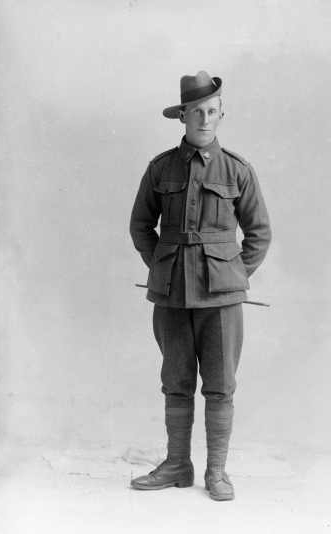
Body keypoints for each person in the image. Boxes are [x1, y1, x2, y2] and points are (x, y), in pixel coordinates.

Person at [129, 71, 271, 501]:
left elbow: (259, 232)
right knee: (175, 380)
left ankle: (216, 471)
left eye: (212, 112)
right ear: (183, 117)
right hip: (172, 295)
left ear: (220, 114)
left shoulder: (237, 170)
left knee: (220, 383)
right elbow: (140, 226)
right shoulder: (160, 169)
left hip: (221, 299)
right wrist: (163, 265)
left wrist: (233, 274)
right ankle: (177, 464)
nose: (205, 120)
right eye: (197, 113)